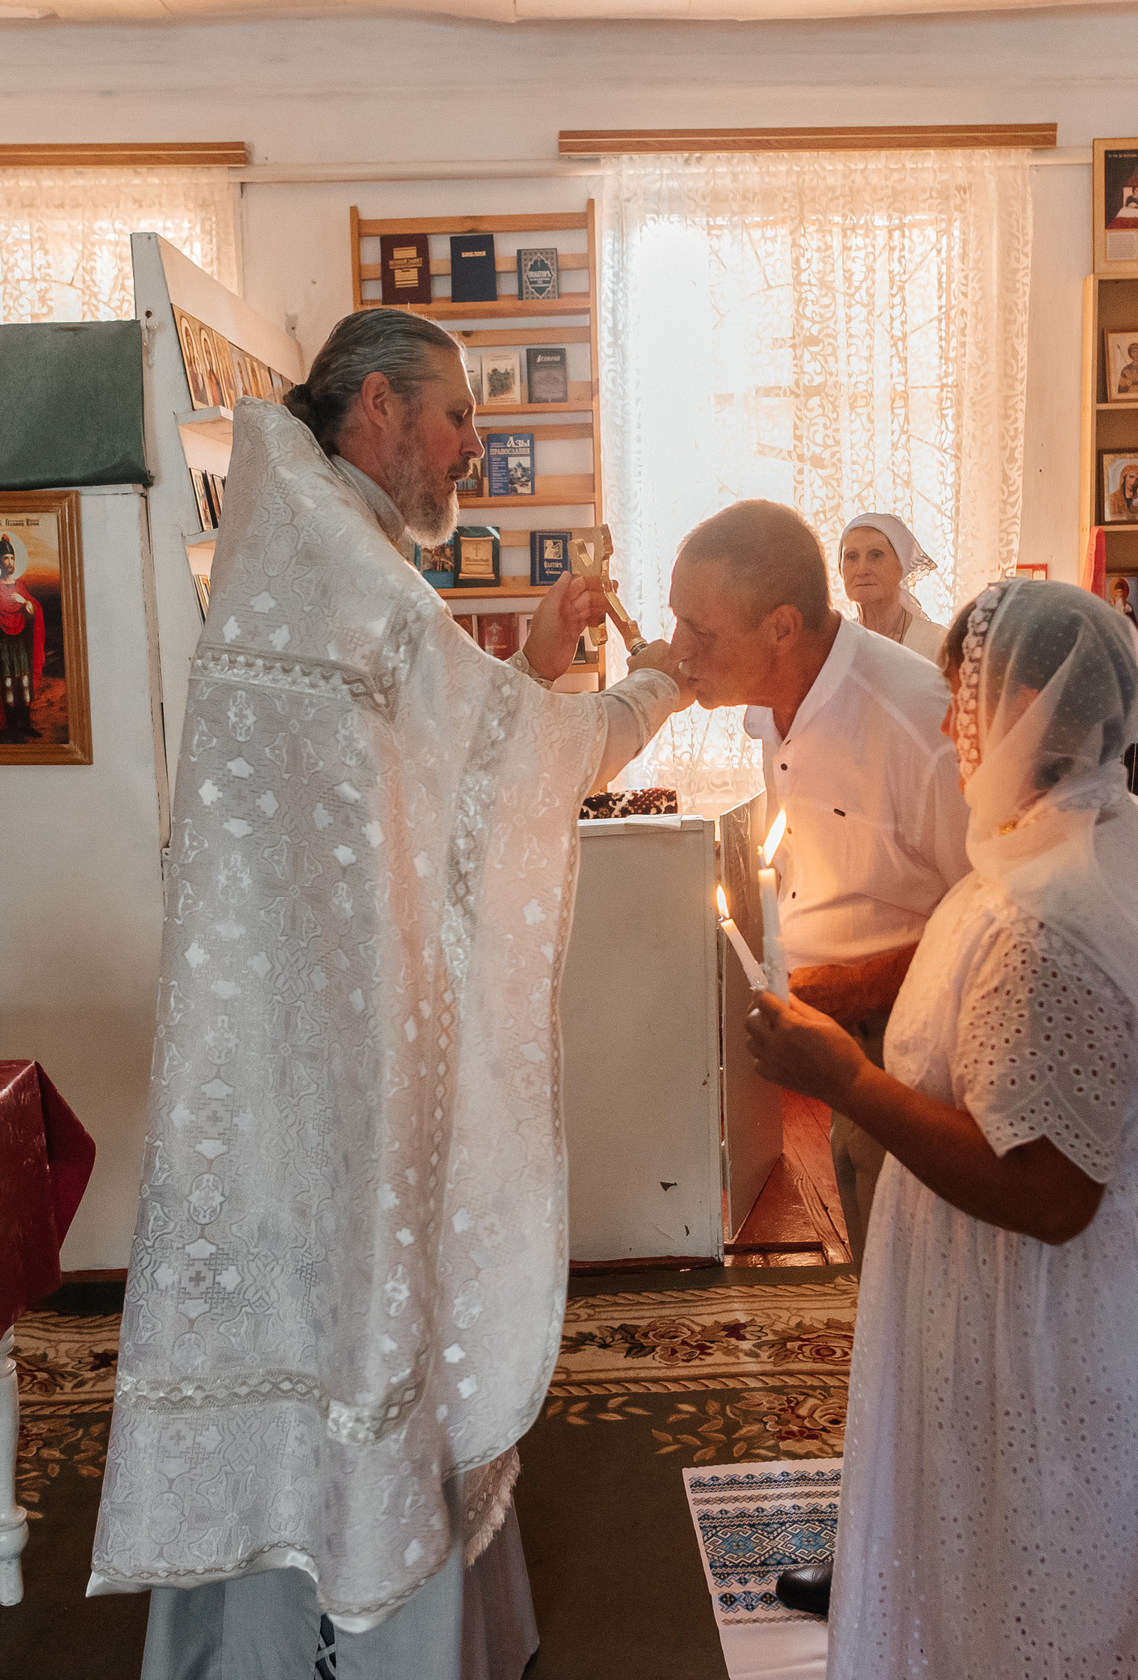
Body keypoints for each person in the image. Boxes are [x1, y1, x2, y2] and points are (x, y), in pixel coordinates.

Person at [89, 307, 691, 1680]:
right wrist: (661, 684)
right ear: (375, 413)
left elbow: (431, 776)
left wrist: (536, 663)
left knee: (350, 1309)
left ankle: (302, 1617)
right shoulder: (332, 557)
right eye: (458, 415)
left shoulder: (315, 539)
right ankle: (362, 1620)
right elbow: (511, 766)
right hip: (335, 1056)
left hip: (321, 1037)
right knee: (364, 1307)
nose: (471, 447)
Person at [744, 582, 1138, 1674]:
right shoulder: (1086, 831)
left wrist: (842, 1077)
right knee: (1023, 1583)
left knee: (1048, 1594)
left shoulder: (1051, 919)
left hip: (1057, 1320)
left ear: (1027, 702)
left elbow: (1047, 1197)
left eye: (961, 701)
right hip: (1094, 1287)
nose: (945, 726)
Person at [668, 501, 968, 1262]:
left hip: (918, 1046)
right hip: (835, 1035)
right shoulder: (771, 704)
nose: (678, 650)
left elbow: (994, 915)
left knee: (916, 1279)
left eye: (700, 631)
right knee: (875, 1266)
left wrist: (856, 990)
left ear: (781, 627)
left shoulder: (914, 720)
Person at [836, 512, 948, 664]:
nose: (862, 570)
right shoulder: (836, 644)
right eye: (852, 556)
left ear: (900, 566)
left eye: (876, 555)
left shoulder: (937, 644)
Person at [0, 533, 44, 736]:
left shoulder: (21, 586)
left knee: (23, 682)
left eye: (12, 558)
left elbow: (33, 610)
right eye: (6, 558)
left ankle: (26, 724)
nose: (10, 562)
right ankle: (13, 727)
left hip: (21, 640)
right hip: (3, 642)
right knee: (7, 683)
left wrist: (24, 602)